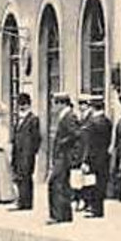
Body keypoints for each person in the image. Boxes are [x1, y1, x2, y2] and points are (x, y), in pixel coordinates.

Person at [46, 93, 82, 224]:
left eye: (55, 103)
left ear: (61, 103)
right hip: (61, 155)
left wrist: (63, 142)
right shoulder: (65, 116)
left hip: (64, 156)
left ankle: (58, 215)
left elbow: (77, 134)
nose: (53, 107)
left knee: (56, 184)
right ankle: (64, 215)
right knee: (62, 185)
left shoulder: (69, 116)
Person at [80, 94, 113, 217]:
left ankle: (95, 209)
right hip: (104, 157)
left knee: (93, 184)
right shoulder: (107, 121)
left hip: (94, 158)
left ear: (93, 107)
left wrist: (85, 160)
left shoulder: (92, 123)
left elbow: (90, 144)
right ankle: (98, 209)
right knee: (101, 184)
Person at [11, 93, 41, 211]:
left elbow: (36, 138)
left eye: (23, 105)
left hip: (27, 154)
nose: (21, 107)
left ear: (28, 105)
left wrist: (31, 152)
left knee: (26, 177)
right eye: (20, 105)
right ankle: (21, 200)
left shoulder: (33, 119)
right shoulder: (18, 119)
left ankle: (26, 202)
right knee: (19, 177)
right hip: (18, 153)